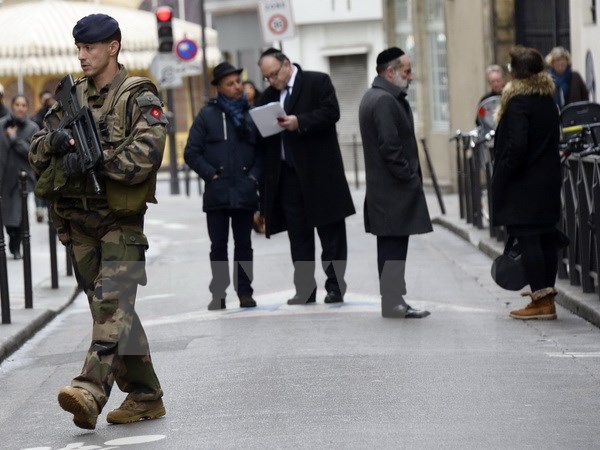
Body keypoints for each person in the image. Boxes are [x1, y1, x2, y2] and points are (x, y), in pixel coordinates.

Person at [29, 13, 167, 429]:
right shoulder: (71, 98)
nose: (82, 56)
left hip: (119, 222)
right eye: (79, 48)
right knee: (112, 312)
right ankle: (145, 395)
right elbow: (35, 152)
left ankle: (89, 390)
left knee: (110, 307)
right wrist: (53, 143)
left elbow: (147, 151)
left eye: (90, 48)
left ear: (114, 47)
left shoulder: (138, 95)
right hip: (79, 226)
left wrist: (95, 161)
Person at [256, 48, 355, 305]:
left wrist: (299, 121)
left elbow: (331, 113)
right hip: (287, 175)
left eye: (274, 74)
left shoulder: (316, 81)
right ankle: (304, 289)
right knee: (298, 235)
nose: (272, 81)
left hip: (319, 173)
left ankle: (335, 286)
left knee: (331, 233)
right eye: (267, 77)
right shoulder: (268, 96)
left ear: (287, 64)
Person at [358, 47, 432, 319]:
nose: (411, 77)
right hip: (392, 191)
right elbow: (390, 148)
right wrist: (408, 177)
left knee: (393, 247)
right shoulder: (383, 100)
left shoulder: (379, 96)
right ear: (390, 72)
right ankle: (392, 302)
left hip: (387, 190)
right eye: (407, 71)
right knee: (392, 248)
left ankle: (394, 300)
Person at [184, 62, 261, 311]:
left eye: (238, 81)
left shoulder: (252, 115)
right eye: (230, 83)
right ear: (218, 88)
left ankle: (245, 292)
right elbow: (191, 152)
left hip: (245, 191)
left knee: (244, 245)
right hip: (217, 193)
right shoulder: (207, 116)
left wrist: (254, 178)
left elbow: (263, 153)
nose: (237, 87)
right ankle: (219, 293)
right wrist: (211, 175)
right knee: (218, 246)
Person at [491, 45, 561, 320]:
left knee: (530, 239)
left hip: (525, 185)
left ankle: (541, 301)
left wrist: (505, 173)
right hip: (547, 181)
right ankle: (547, 298)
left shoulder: (519, 102)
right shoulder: (546, 100)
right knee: (545, 238)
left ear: (518, 72)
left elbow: (517, 146)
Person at [0, 95, 39, 259]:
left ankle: (16, 245)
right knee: (7, 214)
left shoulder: (33, 128)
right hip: (3, 177)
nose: (20, 108)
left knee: (20, 214)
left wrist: (15, 139)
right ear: (12, 105)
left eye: (24, 105)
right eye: (17, 104)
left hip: (22, 178)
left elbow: (33, 153)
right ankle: (12, 238)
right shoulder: (1, 124)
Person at [31, 91, 56, 222]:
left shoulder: (57, 112)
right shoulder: (38, 115)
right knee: (39, 184)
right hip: (42, 155)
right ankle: (40, 210)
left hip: (53, 158)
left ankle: (48, 210)